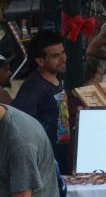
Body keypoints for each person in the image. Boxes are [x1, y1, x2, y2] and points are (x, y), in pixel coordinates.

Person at [11, 32, 70, 175]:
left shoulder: (57, 81)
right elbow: (16, 124)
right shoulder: (34, 87)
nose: (63, 59)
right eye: (55, 56)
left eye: (63, 53)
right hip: (43, 167)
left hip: (59, 161)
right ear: (40, 61)